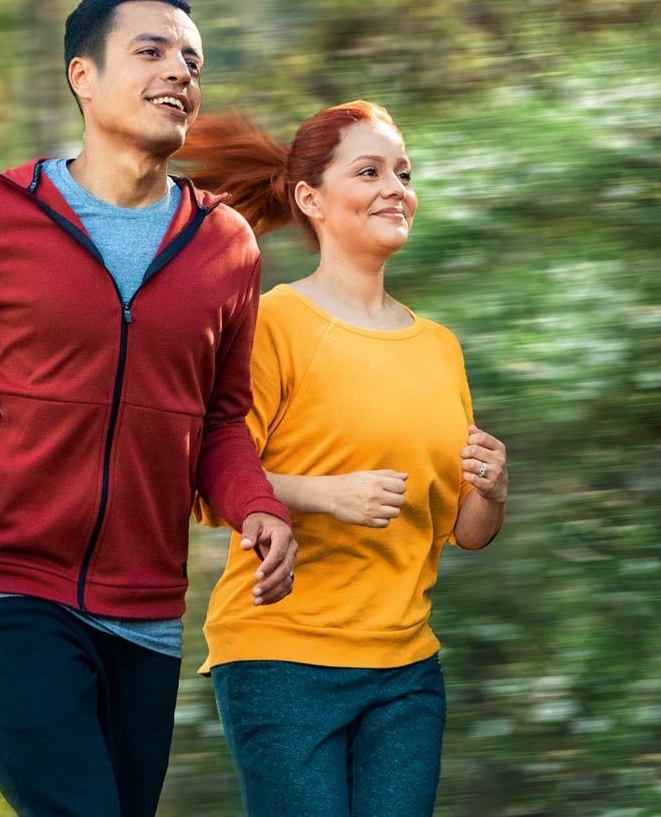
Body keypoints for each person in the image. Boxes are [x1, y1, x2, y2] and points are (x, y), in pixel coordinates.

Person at [0, 0, 296, 817]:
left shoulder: (226, 245)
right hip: (3, 577)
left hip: (146, 605)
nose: (180, 72)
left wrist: (257, 505)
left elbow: (219, 420)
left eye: (193, 60)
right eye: (151, 51)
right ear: (82, 77)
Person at [177, 100, 508, 817]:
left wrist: (491, 491)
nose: (396, 189)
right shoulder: (274, 323)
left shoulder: (439, 347)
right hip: (283, 656)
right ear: (310, 198)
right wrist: (327, 494)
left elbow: (465, 531)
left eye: (404, 173)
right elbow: (206, 483)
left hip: (406, 668)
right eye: (369, 172)